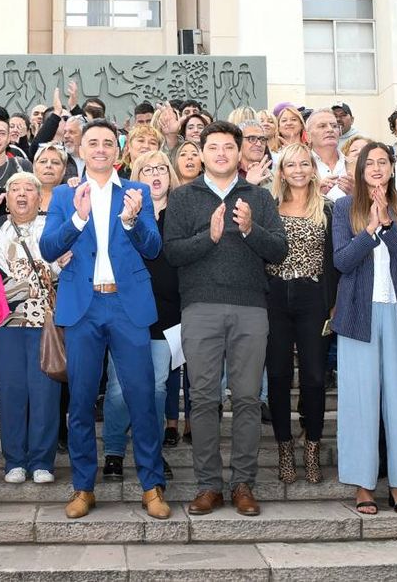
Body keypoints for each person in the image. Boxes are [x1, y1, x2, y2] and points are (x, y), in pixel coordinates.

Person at [39, 119, 170, 521]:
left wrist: (131, 221)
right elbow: (47, 248)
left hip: (127, 308)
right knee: (79, 401)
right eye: (92, 143)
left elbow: (153, 247)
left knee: (143, 397)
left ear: (119, 150)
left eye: (108, 143)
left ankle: (151, 486)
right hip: (83, 308)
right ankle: (83, 487)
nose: (100, 149)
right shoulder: (64, 194)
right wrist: (77, 219)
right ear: (81, 149)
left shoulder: (137, 191)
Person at [164, 121, 287, 517]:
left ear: (240, 153)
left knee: (249, 398)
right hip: (200, 307)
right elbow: (172, 253)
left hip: (251, 307)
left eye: (227, 147)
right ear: (200, 154)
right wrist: (210, 237)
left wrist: (250, 230)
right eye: (212, 147)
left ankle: (243, 483)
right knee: (202, 399)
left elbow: (280, 250)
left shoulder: (259, 197)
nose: (220, 153)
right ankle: (208, 485)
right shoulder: (183, 198)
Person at [331, 141, 397, 515]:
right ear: (358, 170)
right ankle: (362, 484)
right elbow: (342, 261)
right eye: (368, 162)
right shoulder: (343, 207)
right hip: (359, 314)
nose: (376, 167)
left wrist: (387, 225)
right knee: (359, 401)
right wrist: (369, 229)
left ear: (393, 167)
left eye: (382, 162)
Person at [102, 151, 181, 481]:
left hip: (169, 314)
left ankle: (152, 451)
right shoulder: (122, 209)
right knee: (120, 388)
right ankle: (114, 451)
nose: (156, 174)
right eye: (147, 169)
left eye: (162, 168)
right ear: (136, 178)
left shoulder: (182, 211)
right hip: (127, 312)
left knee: (158, 388)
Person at [265, 143, 335, 484]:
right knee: (277, 376)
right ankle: (283, 449)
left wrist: (333, 303)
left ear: (312, 168)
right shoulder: (270, 208)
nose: (297, 169)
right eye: (290, 164)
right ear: (281, 171)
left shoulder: (329, 209)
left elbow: (335, 262)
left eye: (303, 163)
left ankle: (311, 447)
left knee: (314, 378)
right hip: (275, 296)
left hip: (313, 299)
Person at [0, 171, 63, 484]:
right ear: (6, 197)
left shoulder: (54, 226)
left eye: (28, 189)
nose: (22, 195)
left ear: (39, 195)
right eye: (15, 189)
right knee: (10, 391)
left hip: (45, 321)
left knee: (45, 391)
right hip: (4, 322)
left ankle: (42, 460)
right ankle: (15, 461)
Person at [307, 110, 350, 202]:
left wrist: (355, 193)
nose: (330, 129)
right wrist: (316, 193)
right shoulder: (300, 166)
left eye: (334, 126)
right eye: (322, 126)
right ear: (308, 136)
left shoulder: (353, 164)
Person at [32, 144, 67, 213]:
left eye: (55, 162)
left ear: (64, 169)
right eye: (43, 161)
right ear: (34, 167)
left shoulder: (73, 197)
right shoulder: (22, 195)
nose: (48, 165)